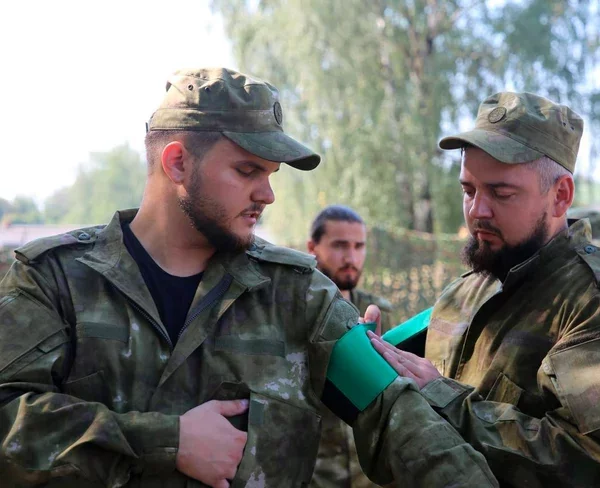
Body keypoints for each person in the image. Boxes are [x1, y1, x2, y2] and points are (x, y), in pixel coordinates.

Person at [0, 68, 497, 488]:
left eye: (271, 174)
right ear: (177, 162)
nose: (267, 194)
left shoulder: (299, 294)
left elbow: (398, 417)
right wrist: (166, 440)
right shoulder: (54, 280)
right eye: (246, 170)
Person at [368, 92, 600, 487]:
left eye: (501, 193)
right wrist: (381, 380)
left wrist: (443, 397)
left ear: (560, 195)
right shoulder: (462, 294)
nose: (477, 211)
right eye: (468, 191)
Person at [307, 205, 393, 488]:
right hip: (313, 475)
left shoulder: (379, 312)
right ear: (313, 248)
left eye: (359, 246)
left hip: (369, 475)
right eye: (340, 246)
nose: (351, 257)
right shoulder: (290, 312)